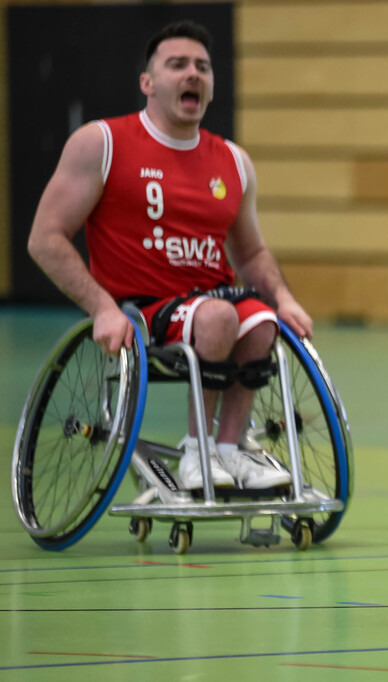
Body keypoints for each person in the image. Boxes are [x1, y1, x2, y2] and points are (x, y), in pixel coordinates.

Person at [26, 20, 311, 490]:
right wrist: (101, 308)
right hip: (143, 310)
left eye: (202, 67)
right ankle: (197, 452)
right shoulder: (103, 143)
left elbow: (252, 252)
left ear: (212, 85)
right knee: (219, 317)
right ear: (147, 82)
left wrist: (285, 299)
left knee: (263, 322)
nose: (192, 74)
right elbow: (45, 238)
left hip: (210, 300)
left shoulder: (234, 161)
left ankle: (230, 449)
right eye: (177, 65)